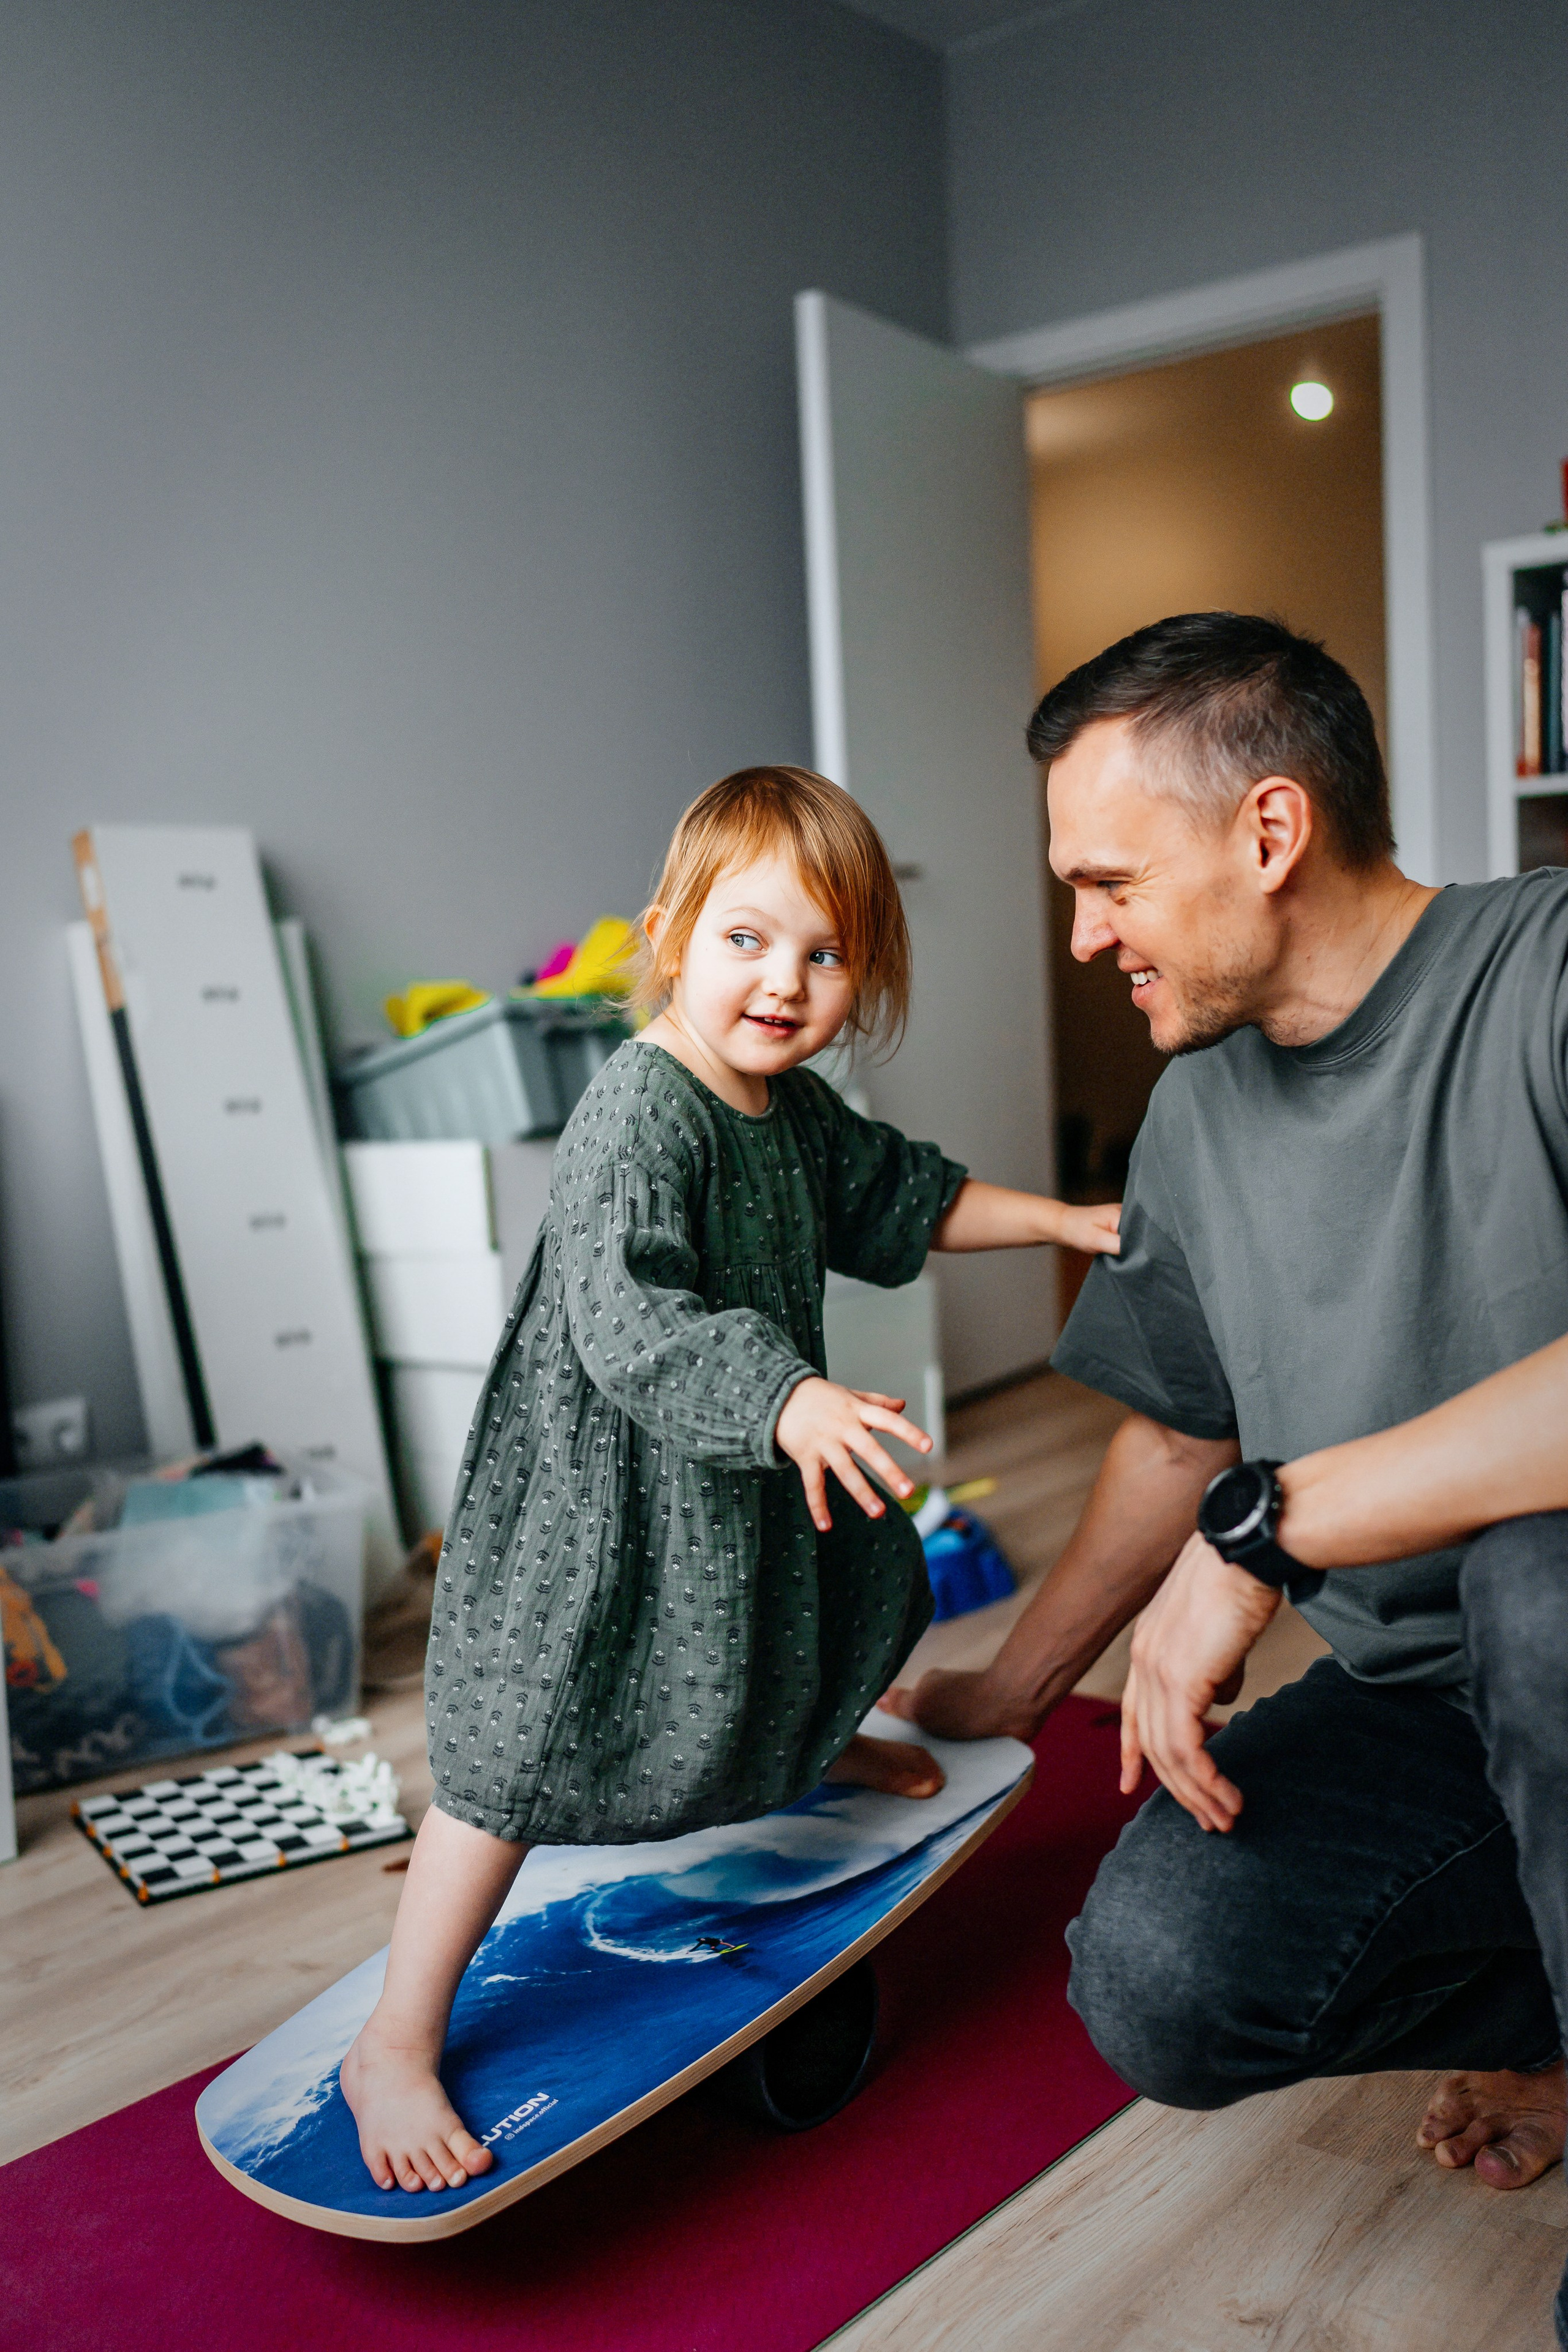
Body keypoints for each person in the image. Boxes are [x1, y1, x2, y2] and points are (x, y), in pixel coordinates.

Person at [884, 613, 1568, 2342]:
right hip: (1437, 1708)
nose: (1081, 931)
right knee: (1161, 1981)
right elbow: (1181, 1431)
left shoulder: (1551, 967)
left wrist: (1274, 1533)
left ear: (1269, 833)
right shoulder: (1195, 1114)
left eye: (1107, 879)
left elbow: (1248, 1494)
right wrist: (1017, 1684)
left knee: (1542, 1587)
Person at [341, 763, 1121, 2195]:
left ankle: (799, 1748)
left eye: (827, 955)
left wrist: (1066, 1216)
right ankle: (396, 2034)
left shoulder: (794, 1108)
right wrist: (789, 1394)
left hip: (742, 1464)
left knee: (819, 1604)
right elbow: (629, 1315)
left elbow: (910, 1194)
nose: (787, 981)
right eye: (749, 940)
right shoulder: (640, 1113)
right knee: (523, 1741)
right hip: (602, 1500)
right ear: (669, 937)